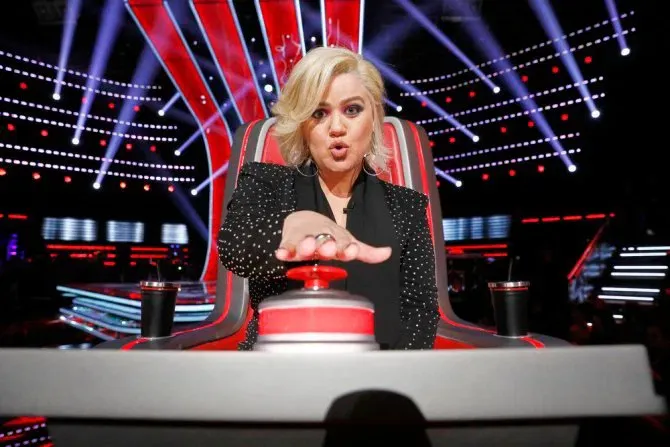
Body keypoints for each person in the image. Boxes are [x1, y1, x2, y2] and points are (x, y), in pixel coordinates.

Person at [218, 46, 439, 351]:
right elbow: (234, 248)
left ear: (374, 118)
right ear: (302, 125)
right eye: (319, 113)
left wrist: (389, 372)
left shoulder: (407, 207)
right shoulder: (266, 182)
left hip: (379, 369)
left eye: (352, 110)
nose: (337, 128)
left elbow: (420, 312)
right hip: (279, 365)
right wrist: (289, 226)